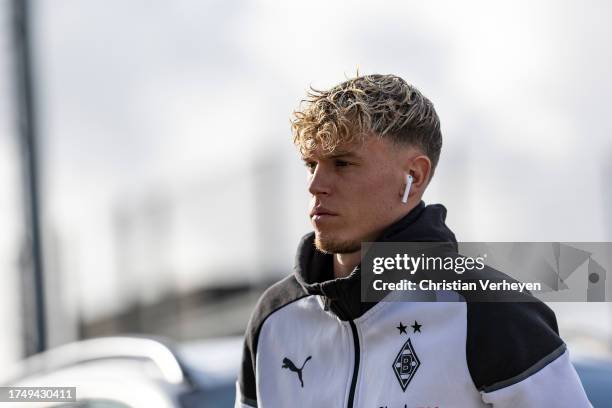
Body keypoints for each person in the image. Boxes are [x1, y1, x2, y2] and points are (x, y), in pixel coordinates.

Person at [235, 74, 592, 407]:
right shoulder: (273, 319)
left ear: (414, 175)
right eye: (311, 165)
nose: (315, 185)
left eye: (342, 163)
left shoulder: (491, 309)